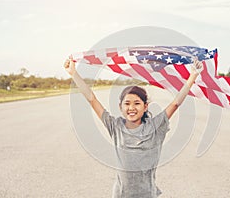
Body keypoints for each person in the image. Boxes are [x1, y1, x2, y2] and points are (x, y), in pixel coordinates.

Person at [64, 57, 203, 198]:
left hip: (147, 194)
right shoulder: (115, 126)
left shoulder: (155, 127)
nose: (131, 108)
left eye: (137, 103)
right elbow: (92, 99)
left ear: (145, 107)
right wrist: (74, 73)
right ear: (121, 107)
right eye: (127, 103)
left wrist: (193, 76)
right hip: (121, 194)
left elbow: (175, 103)